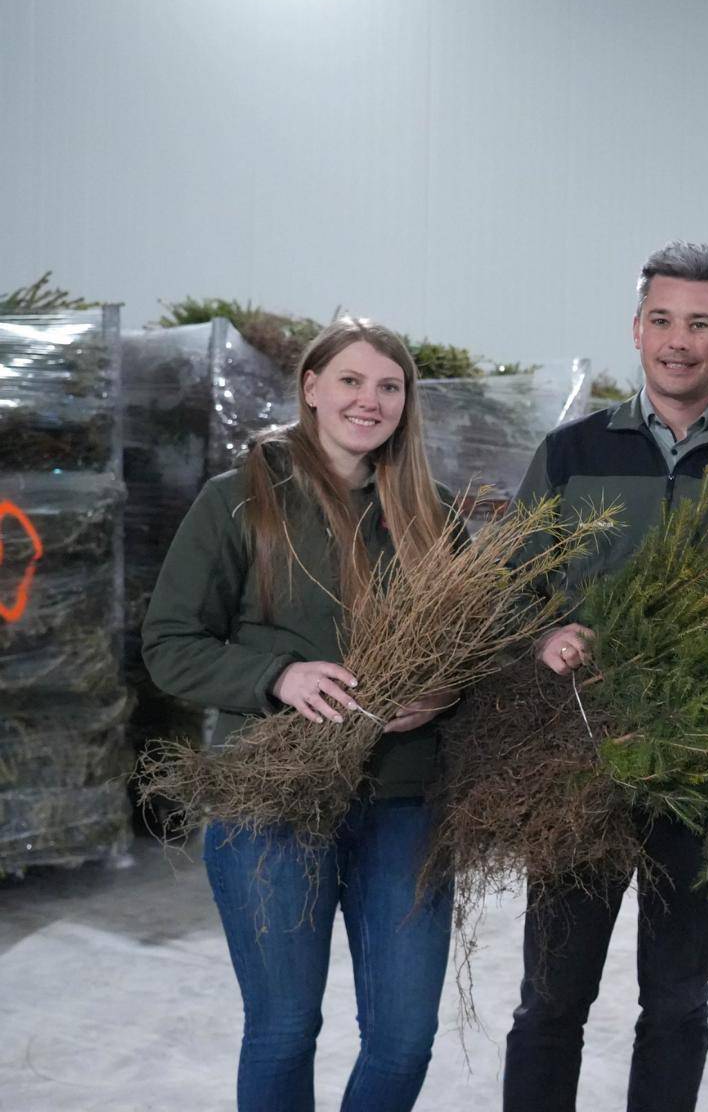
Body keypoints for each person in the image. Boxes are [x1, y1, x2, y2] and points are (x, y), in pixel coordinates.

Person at [502, 241, 708, 1112]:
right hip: (579, 760)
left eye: (698, 323)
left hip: (702, 769)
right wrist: (542, 637)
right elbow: (511, 589)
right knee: (552, 997)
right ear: (634, 330)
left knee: (677, 998)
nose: (677, 341)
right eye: (660, 321)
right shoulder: (570, 455)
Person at [142, 318, 459, 1112]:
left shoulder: (432, 511)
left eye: (390, 386)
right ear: (311, 388)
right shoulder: (240, 500)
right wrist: (277, 676)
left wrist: (449, 689)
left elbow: (474, 644)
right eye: (350, 380)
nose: (370, 399)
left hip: (405, 803)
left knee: (404, 1037)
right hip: (270, 801)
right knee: (284, 1026)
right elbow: (170, 643)